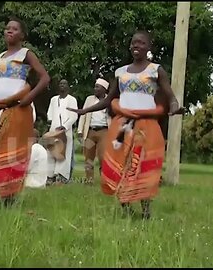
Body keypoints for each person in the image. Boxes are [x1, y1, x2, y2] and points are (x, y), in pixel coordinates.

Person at [67, 30, 184, 219]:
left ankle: (146, 210)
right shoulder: (120, 72)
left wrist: (174, 107)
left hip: (147, 126)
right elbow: (109, 100)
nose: (136, 46)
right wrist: (85, 111)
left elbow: (170, 96)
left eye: (141, 43)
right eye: (133, 43)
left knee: (143, 167)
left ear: (149, 47)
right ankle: (125, 207)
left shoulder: (156, 70)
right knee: (120, 165)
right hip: (122, 126)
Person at [0, 16, 50, 207]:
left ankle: (9, 197)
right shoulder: (0, 57)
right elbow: (0, 83)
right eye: (7, 28)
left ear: (22, 35)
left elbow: (45, 78)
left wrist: (28, 97)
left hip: (18, 110)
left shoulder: (26, 54)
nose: (9, 31)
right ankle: (4, 192)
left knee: (12, 151)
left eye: (14, 29)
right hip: (0, 110)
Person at [77, 78, 111, 185]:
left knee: (103, 157)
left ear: (104, 89)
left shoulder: (109, 100)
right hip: (90, 131)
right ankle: (89, 180)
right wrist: (79, 130)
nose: (95, 89)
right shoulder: (89, 99)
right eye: (95, 86)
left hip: (104, 131)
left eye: (98, 87)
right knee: (88, 157)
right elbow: (83, 115)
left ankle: (105, 180)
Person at [46, 79, 78, 185]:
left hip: (65, 130)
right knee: (51, 152)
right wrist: (50, 121)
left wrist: (65, 126)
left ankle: (61, 175)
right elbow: (50, 113)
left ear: (68, 87)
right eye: (60, 84)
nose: (62, 85)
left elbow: (74, 115)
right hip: (53, 129)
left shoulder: (72, 100)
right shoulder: (53, 99)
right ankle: (50, 175)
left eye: (65, 84)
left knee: (64, 152)